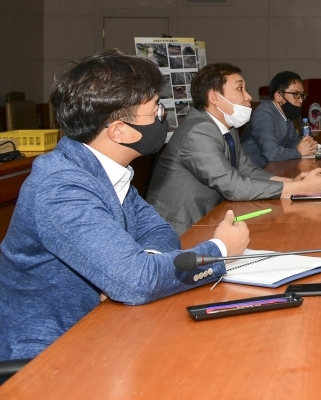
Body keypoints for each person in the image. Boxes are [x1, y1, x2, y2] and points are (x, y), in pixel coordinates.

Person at [0, 50, 250, 363]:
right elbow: (134, 282)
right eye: (155, 110)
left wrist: (135, 267)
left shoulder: (103, 169)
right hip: (47, 359)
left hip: (102, 334)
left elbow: (159, 230)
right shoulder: (61, 187)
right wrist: (221, 249)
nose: (164, 116)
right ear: (119, 130)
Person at [147, 63, 321, 234]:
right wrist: (296, 188)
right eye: (240, 88)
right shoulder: (199, 130)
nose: (248, 96)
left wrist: (292, 182)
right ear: (214, 97)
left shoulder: (226, 126)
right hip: (176, 229)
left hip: (207, 219)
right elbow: (232, 185)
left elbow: (247, 170)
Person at [241, 71, 318, 167]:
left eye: (302, 95)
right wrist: (299, 151)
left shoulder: (285, 112)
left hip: (273, 168)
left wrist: (308, 146)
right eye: (296, 94)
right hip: (255, 173)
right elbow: (272, 154)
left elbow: (293, 142)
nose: (301, 100)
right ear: (278, 96)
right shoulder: (264, 114)